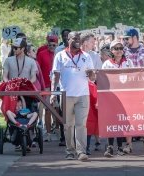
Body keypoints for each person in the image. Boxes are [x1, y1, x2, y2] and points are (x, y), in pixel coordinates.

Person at [51, 31, 94, 161]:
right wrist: (54, 93)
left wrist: (91, 74)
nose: (77, 41)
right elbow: (56, 75)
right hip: (66, 94)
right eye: (74, 38)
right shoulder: (60, 55)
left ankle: (81, 152)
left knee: (81, 124)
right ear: (68, 40)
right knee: (68, 125)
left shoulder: (86, 56)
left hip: (83, 94)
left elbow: (93, 78)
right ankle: (70, 150)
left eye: (78, 39)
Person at [102, 40, 133, 157]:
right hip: (111, 97)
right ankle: (110, 147)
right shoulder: (106, 64)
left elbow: (134, 78)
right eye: (116, 48)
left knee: (121, 121)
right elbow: (102, 81)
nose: (119, 50)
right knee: (111, 121)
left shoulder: (128, 62)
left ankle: (120, 146)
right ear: (111, 51)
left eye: (120, 48)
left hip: (125, 97)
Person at [37, 35, 59, 142]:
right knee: (48, 108)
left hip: (58, 85)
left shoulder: (59, 54)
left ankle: (58, 130)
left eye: (54, 45)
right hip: (46, 85)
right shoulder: (42, 54)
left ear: (57, 44)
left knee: (58, 109)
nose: (51, 46)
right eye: (49, 45)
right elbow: (38, 70)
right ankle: (49, 132)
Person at [85, 70, 100, 155]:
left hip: (89, 112)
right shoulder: (91, 85)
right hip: (90, 112)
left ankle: (84, 147)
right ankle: (86, 148)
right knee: (88, 129)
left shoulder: (91, 85)